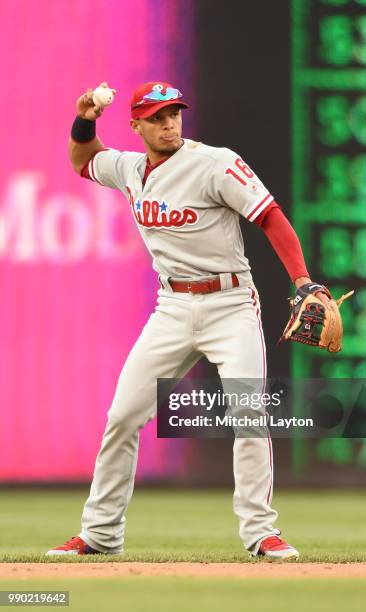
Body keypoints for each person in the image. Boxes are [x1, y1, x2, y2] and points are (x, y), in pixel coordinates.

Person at [46, 81, 332, 561]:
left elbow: (270, 218)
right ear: (136, 125)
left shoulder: (214, 162)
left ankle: (262, 534)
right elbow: (82, 159)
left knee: (248, 413)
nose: (169, 123)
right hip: (172, 309)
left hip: (230, 304)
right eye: (157, 116)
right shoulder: (130, 168)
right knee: (122, 417)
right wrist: (86, 118)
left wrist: (302, 280)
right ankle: (99, 534)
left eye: (174, 113)